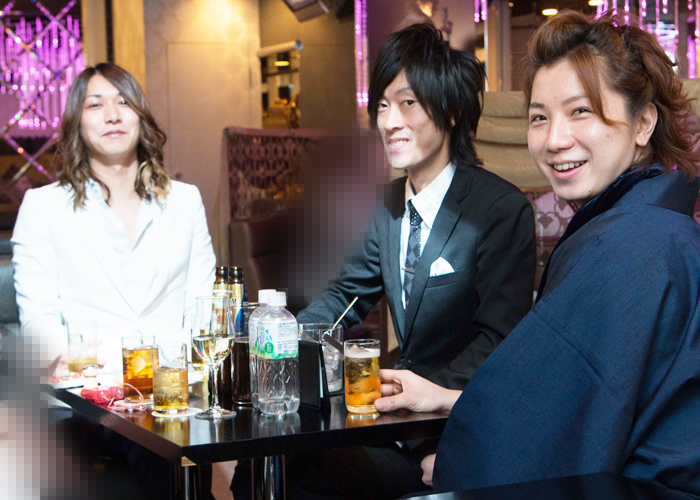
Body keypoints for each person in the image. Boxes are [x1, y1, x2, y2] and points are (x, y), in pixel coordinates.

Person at [375, 10, 700, 497]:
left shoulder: (634, 245)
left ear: (643, 123)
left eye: (581, 111)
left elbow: (562, 425)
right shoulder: (650, 225)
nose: (554, 140)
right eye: (539, 118)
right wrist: (448, 399)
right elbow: (571, 397)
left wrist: (457, 465)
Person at [238, 23, 536, 500]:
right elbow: (345, 296)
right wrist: (282, 339)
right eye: (381, 105)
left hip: (453, 421)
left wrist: (420, 398)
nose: (390, 121)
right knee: (262, 463)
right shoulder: (387, 205)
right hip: (389, 416)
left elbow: (499, 338)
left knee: (306, 474)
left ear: (451, 111)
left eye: (408, 103)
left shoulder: (499, 210)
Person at [12, 63, 215, 372]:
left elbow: (202, 303)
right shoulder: (43, 206)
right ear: (77, 122)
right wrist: (77, 364)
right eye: (95, 105)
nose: (112, 115)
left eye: (123, 102)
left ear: (140, 117)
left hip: (173, 383)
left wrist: (185, 372)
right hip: (86, 386)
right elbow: (39, 317)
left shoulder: (185, 201)